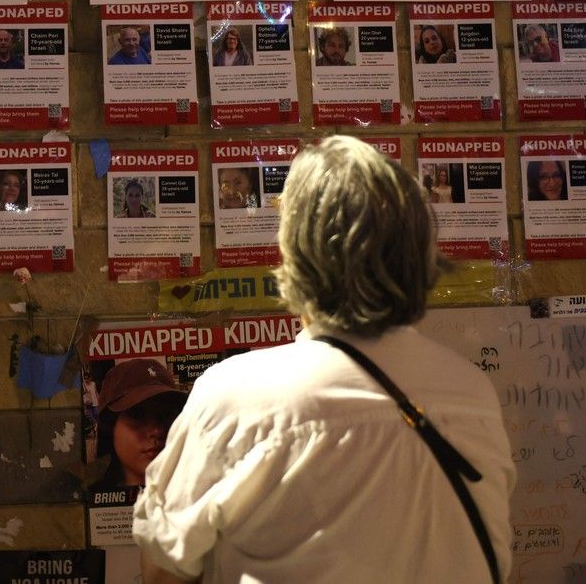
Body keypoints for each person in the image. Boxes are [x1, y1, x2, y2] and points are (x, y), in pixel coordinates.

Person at [134, 135, 514, 584]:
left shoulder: (235, 398)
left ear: (297, 253)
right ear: (417, 255)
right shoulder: (472, 391)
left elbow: (165, 570)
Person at [90, 359, 186, 490]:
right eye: (137, 415)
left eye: (165, 416)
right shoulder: (81, 501)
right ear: (110, 427)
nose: (157, 430)